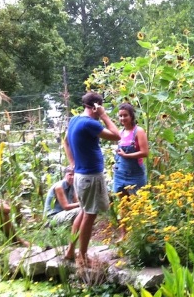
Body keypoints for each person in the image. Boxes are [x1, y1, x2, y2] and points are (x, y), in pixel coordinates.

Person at [63, 92, 121, 266]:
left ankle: (70, 251)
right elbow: (116, 135)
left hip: (82, 175)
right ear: (95, 106)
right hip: (90, 176)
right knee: (89, 215)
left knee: (83, 211)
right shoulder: (89, 123)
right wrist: (103, 115)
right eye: (100, 106)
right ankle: (83, 255)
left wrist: (72, 162)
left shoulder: (74, 120)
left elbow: (65, 141)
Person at [112, 103, 149, 240]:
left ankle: (140, 235)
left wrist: (127, 156)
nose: (122, 118)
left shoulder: (138, 131)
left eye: (125, 115)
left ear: (132, 116)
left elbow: (145, 152)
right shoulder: (119, 133)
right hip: (120, 174)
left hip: (135, 174)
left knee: (138, 205)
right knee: (123, 206)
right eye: (120, 116)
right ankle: (124, 236)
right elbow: (118, 153)